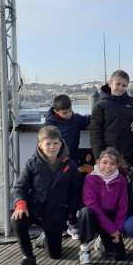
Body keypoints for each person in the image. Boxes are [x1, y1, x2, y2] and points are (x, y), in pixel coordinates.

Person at [10, 126, 82, 265]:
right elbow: (19, 187)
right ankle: (28, 257)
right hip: (35, 210)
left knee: (55, 255)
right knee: (18, 219)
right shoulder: (32, 163)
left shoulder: (71, 165)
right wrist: (21, 203)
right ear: (40, 145)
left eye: (55, 143)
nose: (52, 147)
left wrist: (71, 214)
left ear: (61, 143)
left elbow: (76, 192)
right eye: (48, 143)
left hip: (56, 214)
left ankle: (45, 238)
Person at [43, 93, 91, 239]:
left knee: (74, 192)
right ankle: (59, 224)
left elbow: (90, 119)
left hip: (73, 162)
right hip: (55, 164)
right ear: (56, 111)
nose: (69, 114)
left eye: (70, 111)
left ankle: (72, 223)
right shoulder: (49, 125)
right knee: (58, 195)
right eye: (65, 112)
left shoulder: (76, 119)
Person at [76, 147, 129, 265]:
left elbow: (122, 207)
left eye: (112, 164)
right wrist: (111, 229)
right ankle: (84, 250)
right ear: (98, 162)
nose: (108, 166)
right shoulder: (90, 178)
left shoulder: (121, 180)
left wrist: (117, 231)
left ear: (117, 165)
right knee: (85, 212)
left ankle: (102, 241)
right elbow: (92, 204)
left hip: (110, 218)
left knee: (119, 255)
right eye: (104, 162)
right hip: (95, 217)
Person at [89, 70, 133, 167]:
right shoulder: (100, 106)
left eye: (124, 85)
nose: (120, 88)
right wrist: (99, 157)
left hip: (131, 152)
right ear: (110, 84)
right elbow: (95, 134)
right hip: (109, 154)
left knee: (130, 176)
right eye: (118, 84)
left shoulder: (132, 102)